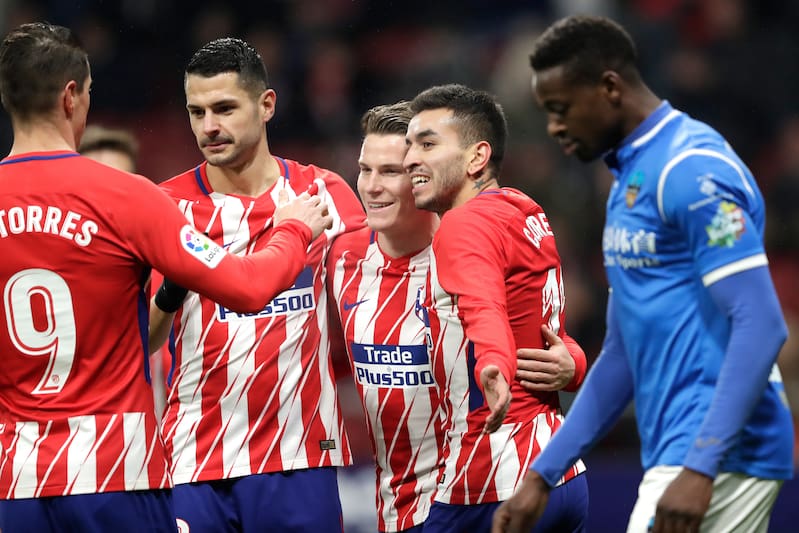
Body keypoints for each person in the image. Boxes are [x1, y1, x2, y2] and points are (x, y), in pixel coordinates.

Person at [0, 22, 330, 532]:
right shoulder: (126, 196)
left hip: (13, 478)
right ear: (71, 97)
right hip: (112, 472)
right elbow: (247, 287)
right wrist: (290, 230)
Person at [493, 15, 795, 533]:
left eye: (561, 109)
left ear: (609, 87)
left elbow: (762, 325)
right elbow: (621, 354)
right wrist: (542, 475)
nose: (553, 128)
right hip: (679, 451)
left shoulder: (693, 171)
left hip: (718, 454)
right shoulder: (630, 182)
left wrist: (700, 466)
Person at [329, 100, 588, 533]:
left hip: (468, 489)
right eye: (365, 169)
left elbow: (507, 317)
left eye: (392, 171)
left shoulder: (466, 244)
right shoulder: (341, 257)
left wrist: (570, 364)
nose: (372, 186)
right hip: (394, 503)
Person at [149, 37, 365, 531]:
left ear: (266, 105)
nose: (209, 127)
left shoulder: (323, 192)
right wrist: (177, 282)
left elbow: (377, 293)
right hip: (195, 457)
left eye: (224, 108)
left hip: (301, 456)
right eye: (196, 111)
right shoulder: (166, 207)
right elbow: (148, 336)